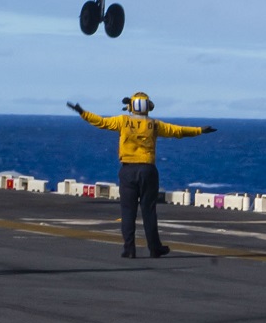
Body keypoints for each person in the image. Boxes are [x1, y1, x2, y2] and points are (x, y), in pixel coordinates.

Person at [68, 93, 214, 259]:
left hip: (128, 170)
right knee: (149, 211)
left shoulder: (123, 121)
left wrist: (81, 111)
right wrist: (200, 130)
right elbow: (178, 131)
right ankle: (154, 248)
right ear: (148, 107)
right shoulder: (154, 124)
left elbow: (100, 122)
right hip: (148, 171)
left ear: (131, 106)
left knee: (128, 212)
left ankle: (129, 249)